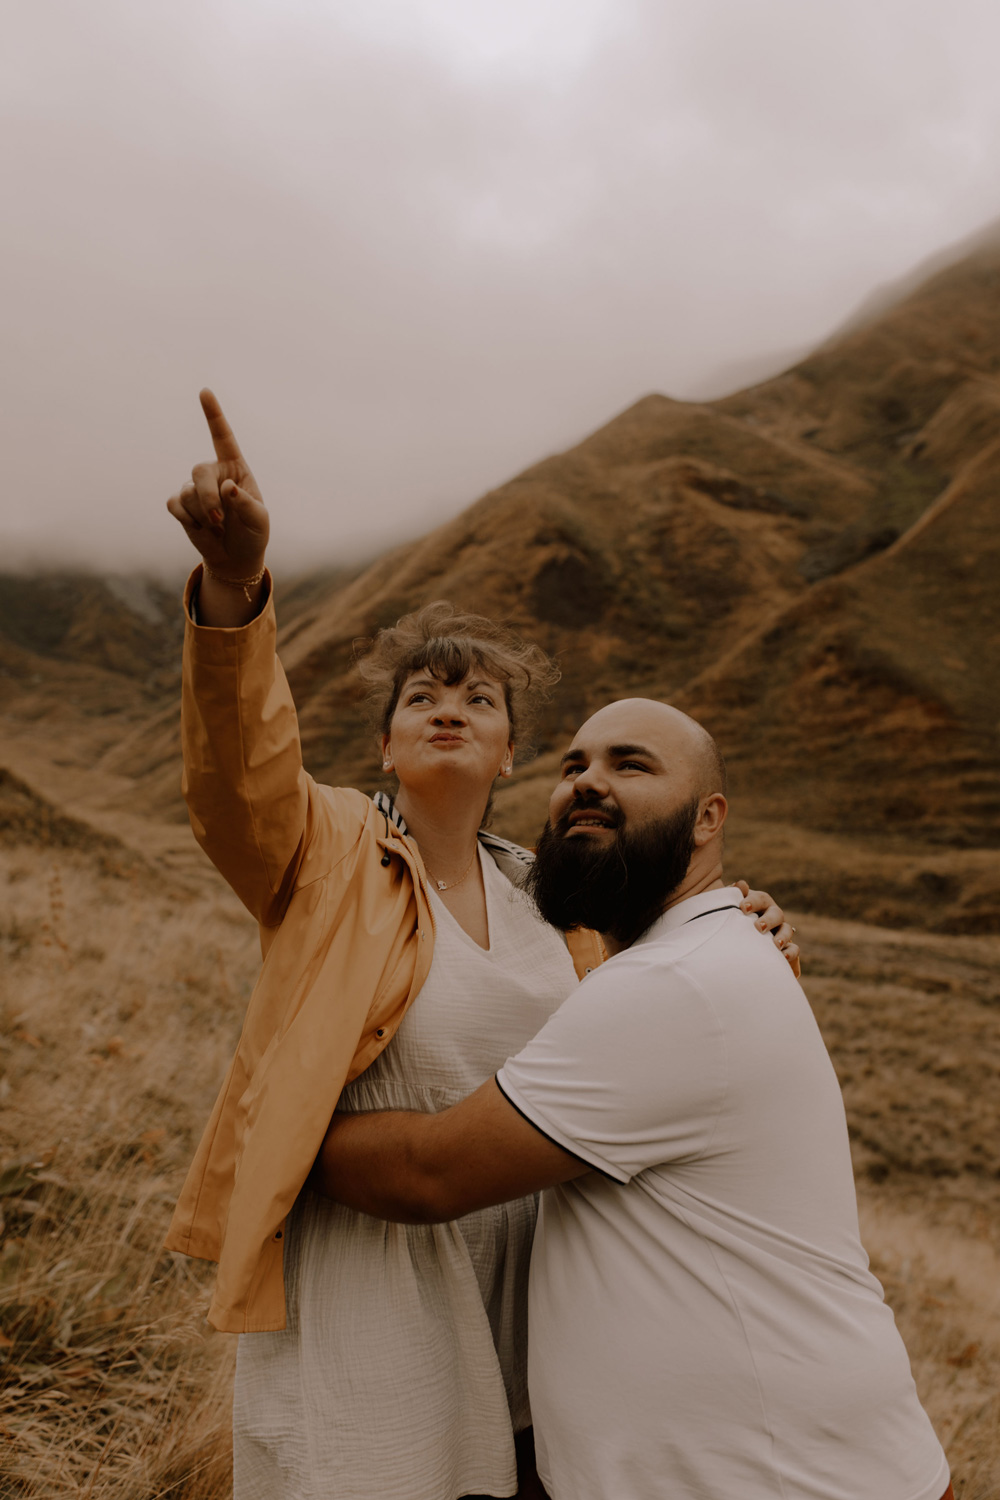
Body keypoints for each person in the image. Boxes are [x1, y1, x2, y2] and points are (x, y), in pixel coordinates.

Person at [163, 391, 801, 1500]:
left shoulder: (557, 906)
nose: (448, 708)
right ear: (387, 741)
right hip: (375, 1285)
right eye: (422, 695)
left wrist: (753, 927)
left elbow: (672, 981)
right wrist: (233, 591)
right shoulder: (325, 852)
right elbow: (237, 773)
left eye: (479, 698)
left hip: (538, 1295)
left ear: (512, 753)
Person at [314, 698, 953, 1500]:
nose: (587, 782)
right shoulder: (695, 957)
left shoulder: (676, 983)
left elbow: (428, 1175)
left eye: (630, 764)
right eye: (572, 765)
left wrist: (278, 1135)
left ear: (707, 817)